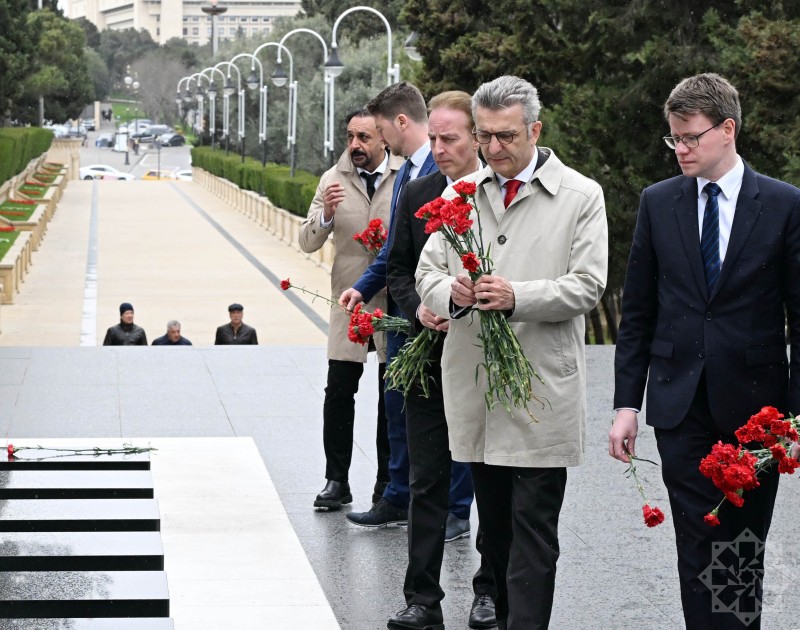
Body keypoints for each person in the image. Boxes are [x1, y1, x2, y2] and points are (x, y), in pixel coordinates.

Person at [416, 75, 608, 630]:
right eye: (485, 137)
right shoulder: (459, 193)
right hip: (477, 389)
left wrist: (518, 295)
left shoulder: (580, 195)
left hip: (541, 390)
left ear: (535, 130)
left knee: (534, 531)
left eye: (506, 137)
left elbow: (588, 285)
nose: (494, 149)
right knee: (494, 529)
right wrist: (444, 291)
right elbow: (427, 268)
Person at [610, 73, 800, 630]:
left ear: (728, 129)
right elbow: (637, 312)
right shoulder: (659, 202)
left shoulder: (786, 204)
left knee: (740, 545)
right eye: (674, 139)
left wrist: (792, 415)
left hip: (756, 412)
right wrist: (627, 404)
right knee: (696, 537)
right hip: (680, 403)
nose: (680, 150)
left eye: (690, 137)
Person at [385, 90, 496, 630]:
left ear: (477, 138)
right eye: (432, 138)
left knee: (491, 480)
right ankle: (421, 600)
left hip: (489, 361)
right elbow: (397, 271)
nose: (438, 148)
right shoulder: (417, 191)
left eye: (449, 138)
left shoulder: (499, 196)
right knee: (427, 481)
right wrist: (421, 308)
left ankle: (489, 592)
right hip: (428, 357)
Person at [341, 82, 437, 530]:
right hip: (401, 309)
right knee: (397, 405)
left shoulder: (439, 169)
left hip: (432, 312)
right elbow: (395, 250)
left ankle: (446, 508)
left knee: (432, 414)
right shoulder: (407, 173)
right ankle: (398, 496)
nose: (377, 139)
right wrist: (363, 287)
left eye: (378, 129)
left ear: (400, 123)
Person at [299, 109, 404, 510]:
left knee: (390, 395)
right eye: (349, 137)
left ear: (383, 139)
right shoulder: (332, 179)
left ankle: (385, 484)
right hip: (348, 303)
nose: (355, 145)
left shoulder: (404, 176)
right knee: (339, 391)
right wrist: (325, 213)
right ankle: (336, 480)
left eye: (363, 137)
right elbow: (307, 241)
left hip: (393, 302)